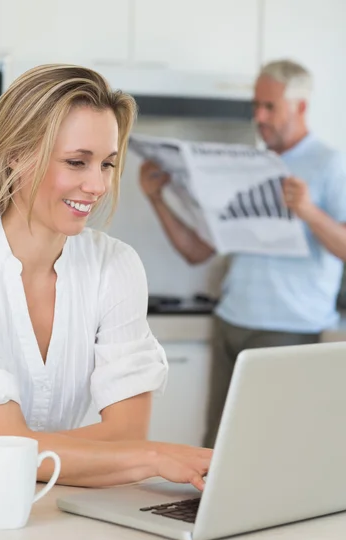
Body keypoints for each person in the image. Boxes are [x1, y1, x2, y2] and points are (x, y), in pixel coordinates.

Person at [0, 64, 212, 490]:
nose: (97, 185)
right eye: (76, 162)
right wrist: (152, 457)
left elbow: (124, 435)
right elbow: (124, 449)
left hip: (60, 506)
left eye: (107, 164)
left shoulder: (115, 265)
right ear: (16, 154)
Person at [139, 59, 346, 448]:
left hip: (288, 329)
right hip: (231, 322)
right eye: (256, 106)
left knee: (268, 448)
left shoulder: (330, 164)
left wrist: (308, 212)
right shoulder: (249, 162)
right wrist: (157, 199)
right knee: (216, 446)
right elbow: (197, 251)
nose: (259, 117)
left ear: (300, 107)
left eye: (269, 107)